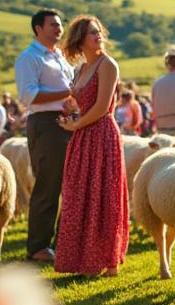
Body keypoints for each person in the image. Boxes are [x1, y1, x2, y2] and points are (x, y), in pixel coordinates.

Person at [54, 15, 128, 276]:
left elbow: (101, 107)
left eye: (98, 32)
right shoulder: (82, 69)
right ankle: (81, 258)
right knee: (78, 194)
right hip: (83, 134)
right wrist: (71, 112)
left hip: (102, 134)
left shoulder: (108, 65)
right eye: (91, 33)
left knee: (103, 197)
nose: (98, 36)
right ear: (80, 40)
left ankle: (105, 260)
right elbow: (82, 103)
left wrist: (76, 124)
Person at [15, 9, 75, 263]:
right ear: (38, 28)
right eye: (53, 25)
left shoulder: (60, 56)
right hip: (45, 124)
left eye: (60, 25)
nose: (58, 29)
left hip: (68, 122)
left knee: (71, 185)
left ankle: (64, 242)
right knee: (47, 186)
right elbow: (30, 95)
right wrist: (67, 92)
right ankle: (38, 246)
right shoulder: (28, 58)